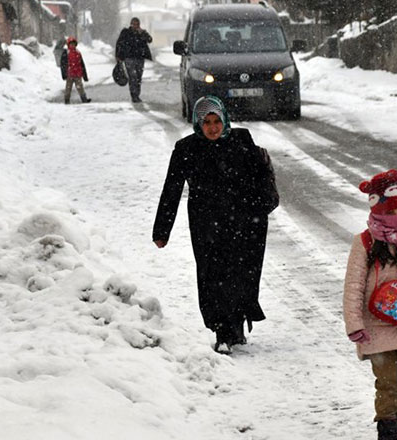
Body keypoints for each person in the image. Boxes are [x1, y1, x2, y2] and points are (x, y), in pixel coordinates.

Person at [152, 95, 279, 355]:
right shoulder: (186, 149)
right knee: (212, 277)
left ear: (224, 120)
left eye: (216, 121)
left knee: (241, 275)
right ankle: (222, 331)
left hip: (245, 222)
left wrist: (259, 207)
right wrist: (162, 231)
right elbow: (172, 190)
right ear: (198, 123)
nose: (212, 127)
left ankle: (236, 326)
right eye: (206, 122)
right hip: (206, 224)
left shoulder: (241, 140)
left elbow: (259, 179)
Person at [343, 169, 397, 440]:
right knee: (388, 380)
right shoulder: (365, 242)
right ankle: (387, 425)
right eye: (391, 211)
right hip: (375, 322)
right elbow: (354, 285)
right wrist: (354, 324)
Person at [115, 17, 152, 103]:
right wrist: (118, 55)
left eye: (137, 24)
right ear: (131, 24)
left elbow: (150, 40)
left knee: (138, 77)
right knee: (133, 77)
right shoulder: (126, 32)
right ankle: (134, 95)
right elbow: (119, 43)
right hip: (129, 58)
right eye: (134, 24)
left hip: (140, 58)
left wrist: (143, 33)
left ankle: (137, 94)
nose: (135, 26)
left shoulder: (142, 33)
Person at [60, 37, 91, 105]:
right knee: (68, 88)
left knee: (80, 87)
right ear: (68, 45)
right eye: (71, 44)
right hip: (70, 74)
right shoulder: (66, 52)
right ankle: (67, 100)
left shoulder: (78, 52)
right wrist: (64, 74)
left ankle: (84, 99)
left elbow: (82, 64)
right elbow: (63, 64)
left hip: (78, 73)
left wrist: (84, 75)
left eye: (74, 44)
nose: (72, 45)